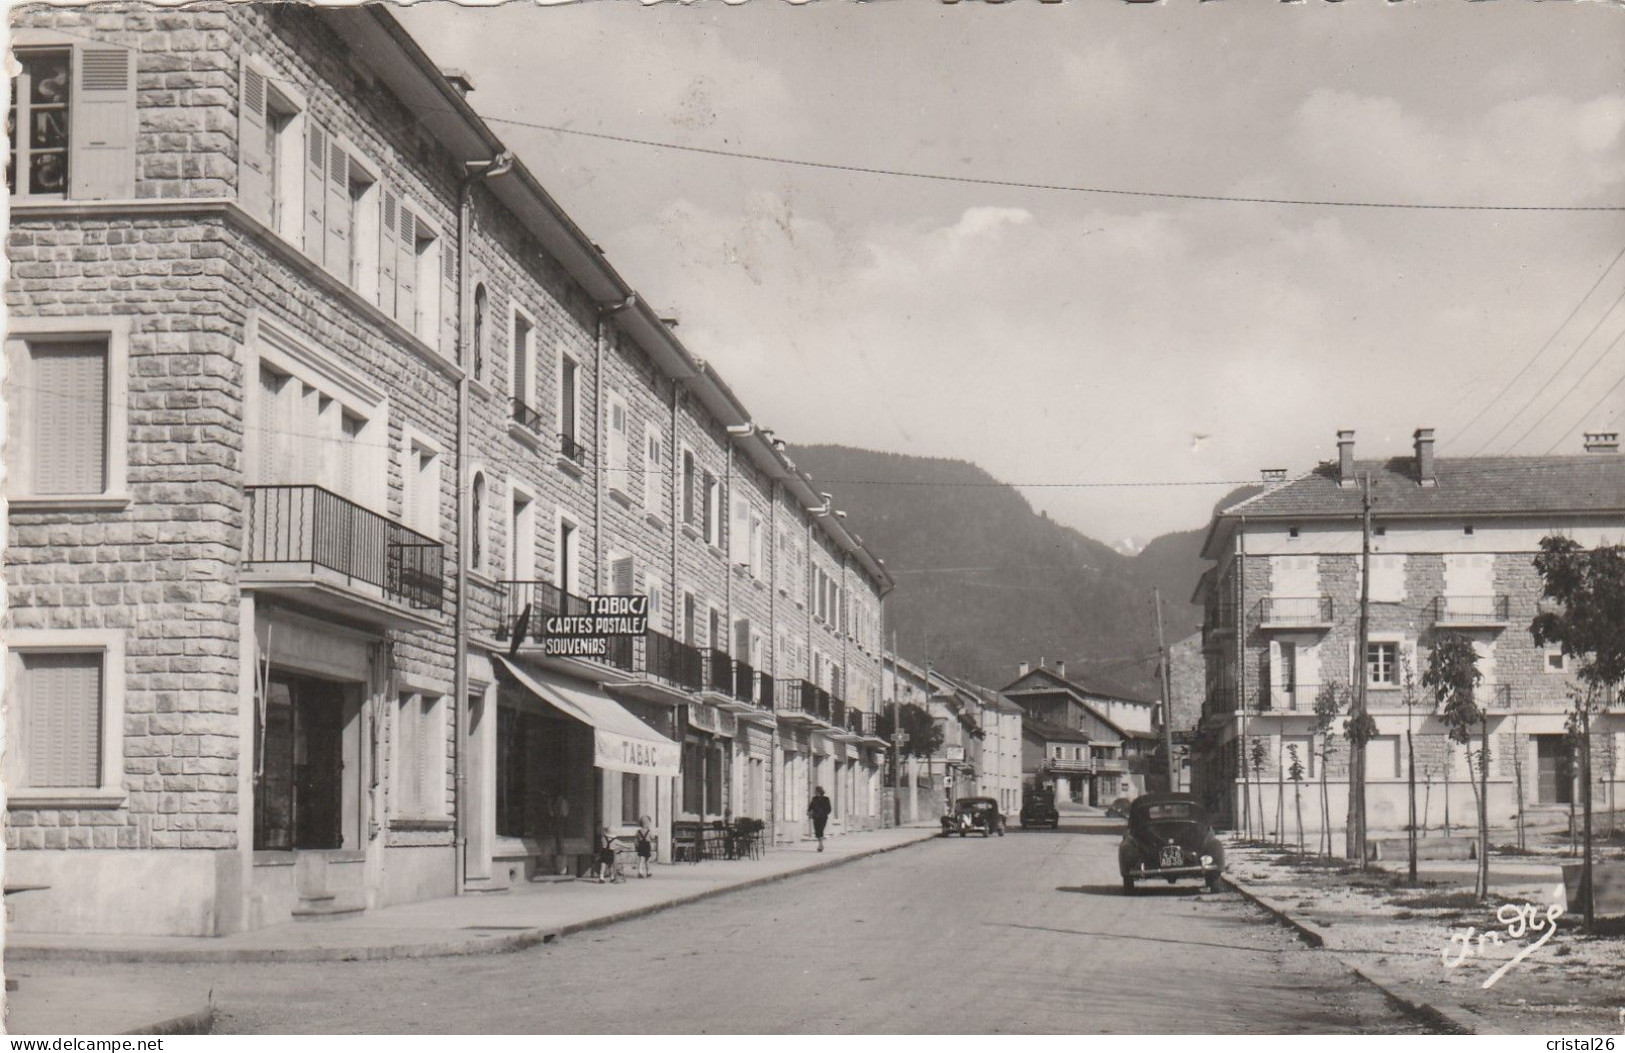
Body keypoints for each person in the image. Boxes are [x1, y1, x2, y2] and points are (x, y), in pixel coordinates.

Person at [807, 786, 832, 852]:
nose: (815, 792)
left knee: (821, 830)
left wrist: (824, 813)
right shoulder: (814, 799)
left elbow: (829, 809)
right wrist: (809, 812)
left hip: (823, 818)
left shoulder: (826, 799)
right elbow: (810, 807)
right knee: (817, 831)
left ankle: (820, 845)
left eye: (816, 791)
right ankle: (820, 844)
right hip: (816, 817)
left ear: (819, 791)